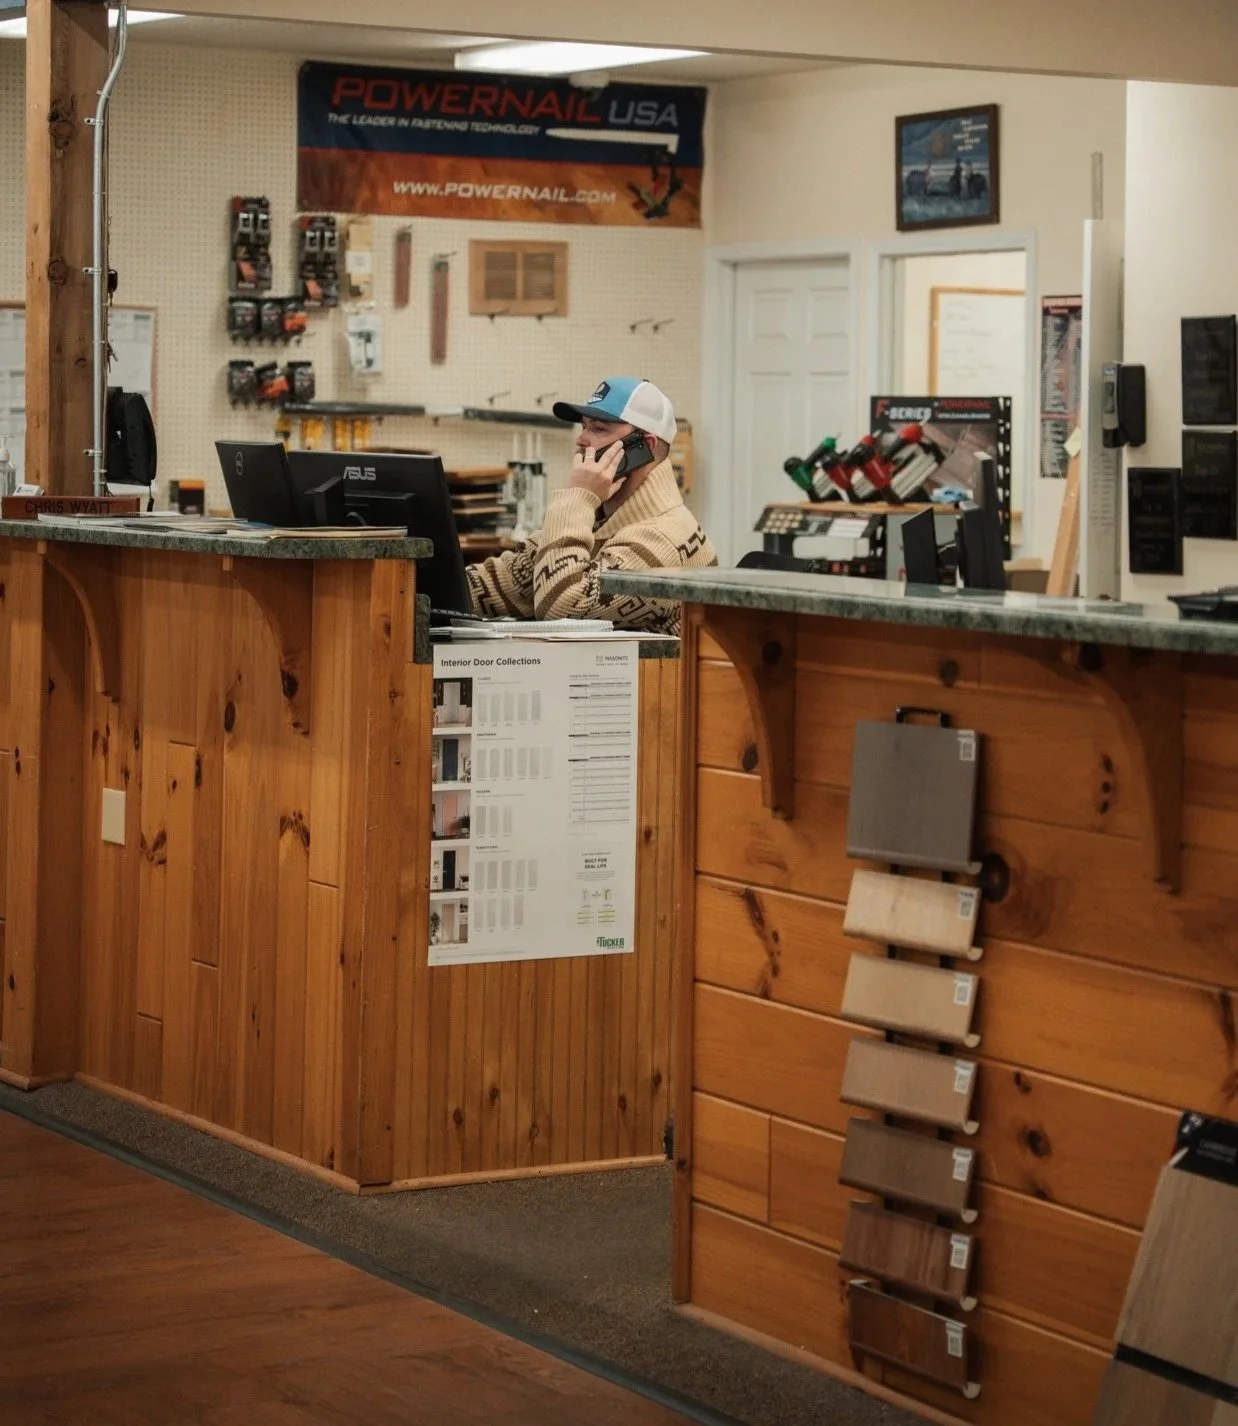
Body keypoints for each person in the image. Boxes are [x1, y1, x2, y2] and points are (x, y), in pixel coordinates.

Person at [466, 377, 717, 634]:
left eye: (598, 429)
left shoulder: (665, 541)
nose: (581, 439)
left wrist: (578, 495)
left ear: (645, 447)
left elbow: (560, 612)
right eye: (584, 427)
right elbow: (500, 584)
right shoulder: (600, 520)